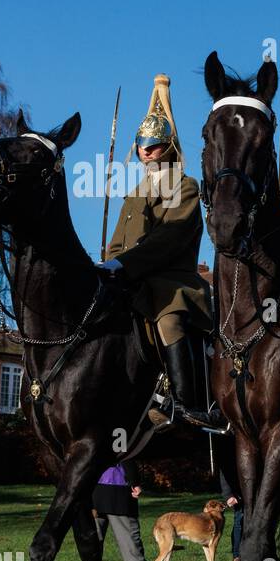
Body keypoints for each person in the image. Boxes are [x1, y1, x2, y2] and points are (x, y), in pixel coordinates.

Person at [106, 75, 219, 432]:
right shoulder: (132, 194)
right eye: (141, 143)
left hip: (174, 283)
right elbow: (115, 245)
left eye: (153, 145)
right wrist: (106, 266)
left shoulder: (185, 187)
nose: (145, 150)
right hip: (130, 280)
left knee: (167, 316)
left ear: (168, 146)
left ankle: (184, 402)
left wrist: (122, 265)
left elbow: (168, 242)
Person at [80, 462, 154, 561]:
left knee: (92, 543)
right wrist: (134, 481)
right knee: (129, 540)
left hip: (91, 488)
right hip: (119, 489)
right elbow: (126, 454)